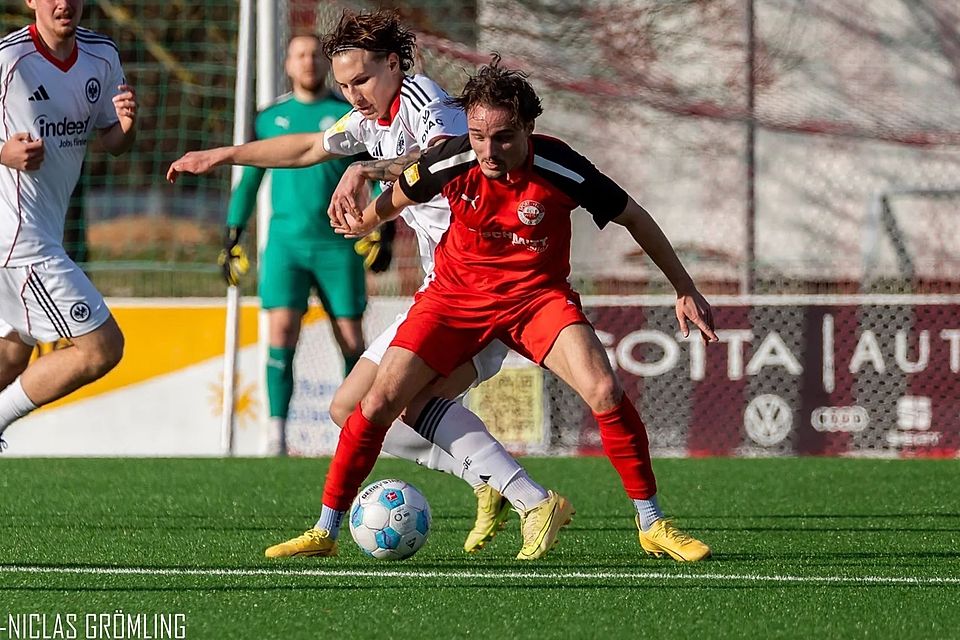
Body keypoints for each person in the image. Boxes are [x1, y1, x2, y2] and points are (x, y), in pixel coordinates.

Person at [167, 10, 560, 559]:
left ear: (394, 64)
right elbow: (308, 148)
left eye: (361, 80)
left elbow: (444, 158)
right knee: (348, 409)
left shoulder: (430, 106)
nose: (352, 94)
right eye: (344, 84)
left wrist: (366, 170)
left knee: (407, 403)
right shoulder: (371, 116)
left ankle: (529, 497)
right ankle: (487, 479)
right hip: (440, 286)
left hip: (486, 285)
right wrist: (226, 155)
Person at [330, 56, 721, 561]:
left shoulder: (562, 167)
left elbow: (635, 217)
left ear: (529, 129)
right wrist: (365, 220)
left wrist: (683, 287)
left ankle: (651, 522)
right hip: (457, 301)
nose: (489, 151)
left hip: (537, 300)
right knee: (387, 403)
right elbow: (404, 190)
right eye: (477, 136)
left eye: (504, 138)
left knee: (604, 388)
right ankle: (333, 526)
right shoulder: (453, 158)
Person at [222, 33, 386, 455]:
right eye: (300, 55)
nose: (309, 62)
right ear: (289, 64)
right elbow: (250, 177)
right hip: (285, 246)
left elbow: (377, 168)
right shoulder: (269, 116)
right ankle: (276, 434)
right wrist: (233, 232)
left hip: (338, 243)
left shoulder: (347, 113)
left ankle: (355, 430)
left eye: (315, 54)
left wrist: (384, 229)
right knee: (281, 333)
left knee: (350, 337)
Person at [0, 0, 137, 451]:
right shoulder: (8, 59)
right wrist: (3, 153)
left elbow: (113, 143)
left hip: (38, 232)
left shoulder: (102, 55)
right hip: (19, 239)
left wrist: (127, 126)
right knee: (101, 348)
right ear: (30, 2)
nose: (65, 4)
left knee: (10, 355)